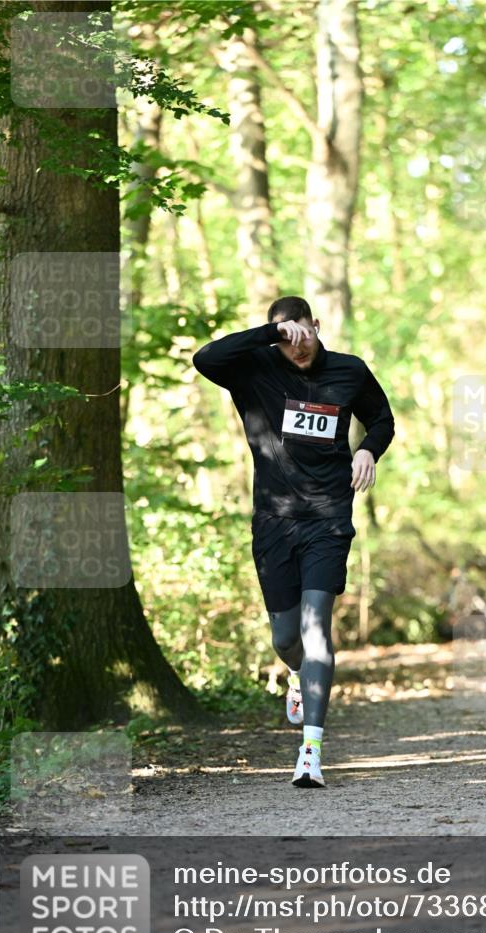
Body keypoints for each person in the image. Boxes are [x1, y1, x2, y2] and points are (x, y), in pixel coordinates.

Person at [192, 296, 395, 787]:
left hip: (328, 517)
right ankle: (296, 675)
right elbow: (205, 359)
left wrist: (368, 449)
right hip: (274, 521)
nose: (300, 347)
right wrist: (270, 335)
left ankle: (311, 751)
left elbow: (382, 420)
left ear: (318, 326)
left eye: (306, 334)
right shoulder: (254, 369)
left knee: (316, 626)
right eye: (290, 339)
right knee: (287, 638)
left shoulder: (349, 371)